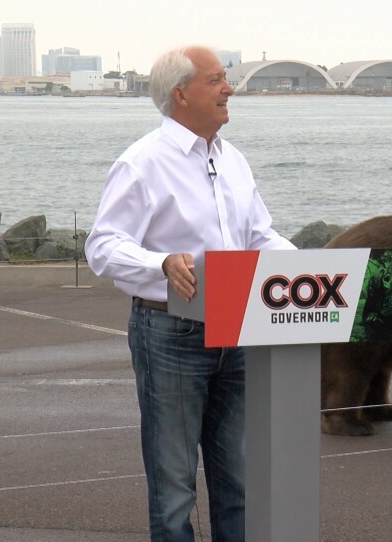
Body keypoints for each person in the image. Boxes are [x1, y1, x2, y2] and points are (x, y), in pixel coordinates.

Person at [85, 45, 296, 542]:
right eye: (217, 80)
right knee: (174, 488)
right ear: (181, 94)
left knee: (242, 480)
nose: (230, 89)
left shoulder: (234, 160)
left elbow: (260, 236)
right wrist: (159, 262)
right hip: (170, 332)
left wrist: (314, 267)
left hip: (240, 326)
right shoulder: (141, 163)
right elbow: (103, 245)